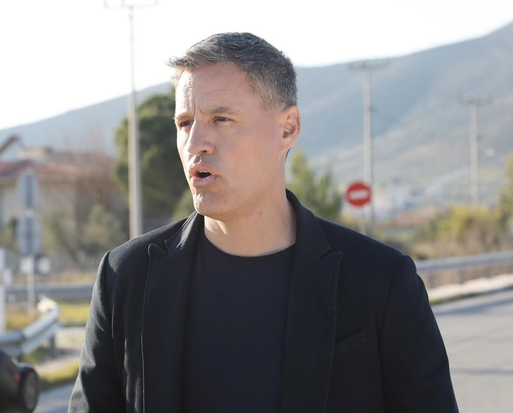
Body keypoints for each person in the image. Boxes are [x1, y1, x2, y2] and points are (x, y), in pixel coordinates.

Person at [69, 32, 458, 413]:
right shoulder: (126, 277)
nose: (195, 143)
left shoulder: (381, 281)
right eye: (185, 123)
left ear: (287, 128)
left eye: (221, 118)